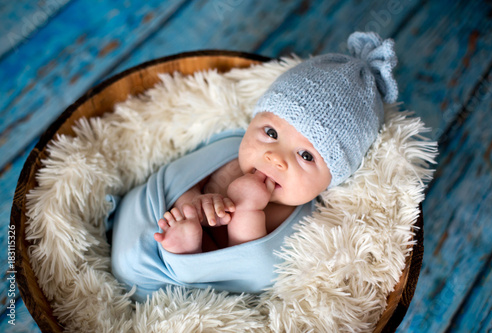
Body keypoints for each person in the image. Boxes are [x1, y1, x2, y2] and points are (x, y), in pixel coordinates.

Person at [109, 31, 398, 302]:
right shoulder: (230, 150)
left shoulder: (310, 222)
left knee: (244, 265)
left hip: (165, 287)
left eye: (306, 156)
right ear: (253, 122)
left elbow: (245, 267)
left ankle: (187, 251)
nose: (275, 157)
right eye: (270, 133)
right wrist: (194, 204)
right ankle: (184, 233)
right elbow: (181, 174)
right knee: (182, 201)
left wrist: (247, 210)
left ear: (333, 179)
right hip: (142, 228)